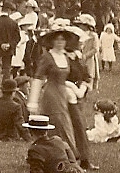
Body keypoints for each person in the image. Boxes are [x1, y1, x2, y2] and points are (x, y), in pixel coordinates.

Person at [27, 25, 84, 160]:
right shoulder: (47, 57)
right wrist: (33, 101)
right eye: (57, 39)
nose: (60, 42)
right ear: (52, 41)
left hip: (63, 93)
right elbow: (38, 78)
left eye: (63, 39)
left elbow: (66, 78)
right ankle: (65, 155)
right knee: (59, 121)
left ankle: (59, 154)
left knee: (65, 122)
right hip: (51, 94)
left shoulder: (66, 56)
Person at [17, 115, 84, 173]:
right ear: (46, 130)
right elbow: (73, 160)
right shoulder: (58, 141)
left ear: (30, 131)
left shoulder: (35, 149)